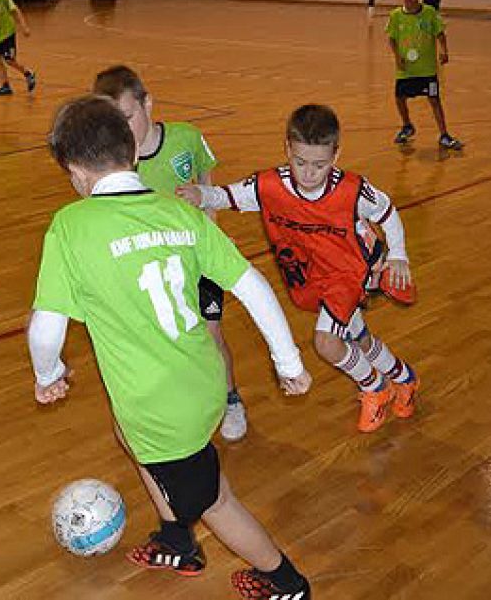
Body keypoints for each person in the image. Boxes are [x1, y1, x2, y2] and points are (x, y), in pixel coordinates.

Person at [30, 95, 314, 600]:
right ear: (134, 154)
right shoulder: (179, 214)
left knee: (216, 500)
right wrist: (287, 361)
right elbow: (252, 286)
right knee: (127, 431)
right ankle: (177, 537)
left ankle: (283, 580)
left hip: (158, 408)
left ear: (75, 173)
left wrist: (48, 375)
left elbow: (45, 328)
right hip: (202, 384)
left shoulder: (71, 228)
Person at [179, 104, 421, 435]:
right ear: (286, 150)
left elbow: (388, 212)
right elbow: (228, 196)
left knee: (326, 342)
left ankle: (375, 386)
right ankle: (405, 379)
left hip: (350, 274)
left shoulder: (352, 191)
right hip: (312, 277)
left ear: (336, 155)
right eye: (299, 162)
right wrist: (200, 194)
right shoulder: (269, 186)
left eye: (319, 165)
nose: (308, 173)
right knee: (357, 338)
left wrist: (399, 255)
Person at [93, 65, 248, 441]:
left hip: (197, 260)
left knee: (211, 334)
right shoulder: (114, 163)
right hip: (151, 268)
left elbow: (207, 181)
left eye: (128, 117)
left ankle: (230, 399)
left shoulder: (186, 139)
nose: (122, 129)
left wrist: (210, 228)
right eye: (114, 121)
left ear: (148, 103)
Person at [388, 0, 463, 149]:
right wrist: (397, 56)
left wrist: (444, 50)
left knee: (434, 100)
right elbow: (391, 38)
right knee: (399, 98)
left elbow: (440, 33)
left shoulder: (429, 13)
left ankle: (444, 135)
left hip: (427, 70)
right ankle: (407, 125)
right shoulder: (395, 16)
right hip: (406, 69)